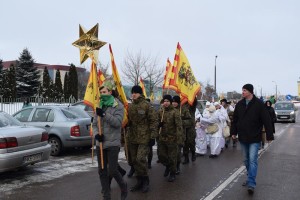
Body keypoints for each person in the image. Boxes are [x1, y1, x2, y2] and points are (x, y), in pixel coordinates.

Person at [231, 83, 274, 195]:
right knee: (246, 160)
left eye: (244, 90)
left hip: (254, 137)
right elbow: (235, 120)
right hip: (243, 136)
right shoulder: (240, 104)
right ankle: (250, 177)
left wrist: (269, 136)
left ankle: (251, 183)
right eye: (242, 90)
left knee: (253, 160)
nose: (242, 92)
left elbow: (267, 120)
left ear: (250, 91)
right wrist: (233, 132)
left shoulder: (259, 104)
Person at [93, 80, 127, 200]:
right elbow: (94, 124)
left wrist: (104, 115)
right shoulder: (99, 105)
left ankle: (123, 186)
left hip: (113, 143)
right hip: (100, 144)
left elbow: (118, 123)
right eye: (101, 92)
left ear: (110, 92)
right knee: (102, 171)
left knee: (112, 170)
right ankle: (106, 196)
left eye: (105, 92)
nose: (102, 94)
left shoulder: (118, 105)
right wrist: (97, 135)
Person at [127, 85, 158, 193]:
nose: (133, 94)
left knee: (140, 159)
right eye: (132, 92)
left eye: (136, 92)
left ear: (140, 93)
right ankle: (139, 181)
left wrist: (153, 136)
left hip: (144, 137)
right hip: (132, 137)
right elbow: (129, 120)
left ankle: (145, 181)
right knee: (134, 160)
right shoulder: (130, 106)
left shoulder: (146, 105)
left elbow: (154, 121)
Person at [158, 95, 182, 182]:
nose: (166, 103)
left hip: (172, 138)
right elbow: (156, 122)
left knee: (172, 157)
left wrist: (179, 139)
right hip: (162, 138)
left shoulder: (175, 112)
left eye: (168, 101)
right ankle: (167, 166)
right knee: (161, 156)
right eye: (164, 101)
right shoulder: (161, 111)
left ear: (171, 102)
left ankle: (172, 173)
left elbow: (179, 126)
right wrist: (158, 124)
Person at [172, 95, 191, 174]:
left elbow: (189, 121)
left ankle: (177, 167)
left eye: (176, 102)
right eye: (173, 102)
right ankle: (169, 167)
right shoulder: (168, 110)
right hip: (169, 135)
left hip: (180, 134)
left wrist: (181, 123)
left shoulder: (183, 109)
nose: (174, 103)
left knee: (177, 152)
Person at [182, 98, 198, 164]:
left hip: (190, 127)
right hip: (183, 126)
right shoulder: (181, 106)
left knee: (191, 142)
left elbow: (194, 102)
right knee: (184, 143)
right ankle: (186, 158)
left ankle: (193, 153)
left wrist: (191, 96)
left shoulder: (191, 106)